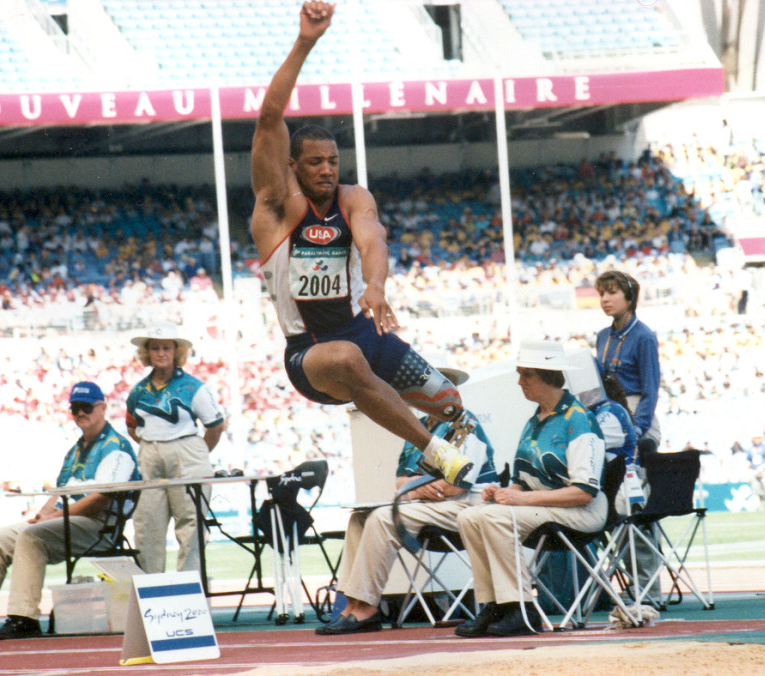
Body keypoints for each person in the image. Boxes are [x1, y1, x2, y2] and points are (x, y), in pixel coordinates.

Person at [247, 0, 472, 488]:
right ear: (291, 166)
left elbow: (373, 238)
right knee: (347, 359)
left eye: (333, 160)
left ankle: (431, 458)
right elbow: (268, 118)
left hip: (369, 336)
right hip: (313, 354)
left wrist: (375, 284)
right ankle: (433, 452)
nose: (327, 169)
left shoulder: (353, 198)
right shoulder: (275, 211)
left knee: (455, 407)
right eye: (314, 162)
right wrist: (307, 40)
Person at [0, 382, 139, 641]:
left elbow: (99, 499)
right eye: (75, 408)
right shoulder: (77, 449)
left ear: (102, 408)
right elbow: (59, 492)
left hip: (99, 526)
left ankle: (25, 618)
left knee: (32, 537)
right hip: (66, 520)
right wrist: (40, 515)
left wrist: (50, 519)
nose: (80, 413)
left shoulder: (116, 448)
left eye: (86, 407)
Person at [317, 368, 498, 635]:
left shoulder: (465, 424)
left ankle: (367, 607)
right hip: (431, 505)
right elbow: (400, 482)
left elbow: (455, 485)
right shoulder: (420, 428)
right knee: (359, 518)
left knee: (382, 517)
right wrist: (418, 490)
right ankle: (351, 604)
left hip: (467, 504)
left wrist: (414, 489)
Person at [455, 341, 606, 637]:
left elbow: (584, 492)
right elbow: (523, 480)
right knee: (470, 516)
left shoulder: (578, 419)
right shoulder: (534, 421)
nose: (520, 382)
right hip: (546, 508)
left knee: (492, 518)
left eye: (527, 375)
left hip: (582, 512)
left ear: (549, 376)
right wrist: (503, 492)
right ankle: (495, 603)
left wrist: (521, 498)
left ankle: (520, 608)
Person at [127, 324, 226, 574]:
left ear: (176, 352)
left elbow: (215, 425)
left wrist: (197, 452)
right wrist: (154, 446)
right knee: (147, 525)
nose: (161, 353)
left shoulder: (194, 387)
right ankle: (150, 591)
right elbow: (131, 426)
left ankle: (190, 592)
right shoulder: (138, 390)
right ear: (147, 352)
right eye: (155, 348)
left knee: (191, 526)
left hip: (187, 453)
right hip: (150, 454)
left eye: (166, 348)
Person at [593, 269, 662, 604]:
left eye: (612, 292)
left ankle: (648, 585)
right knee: (611, 500)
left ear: (630, 297)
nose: (605, 299)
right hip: (610, 415)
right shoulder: (601, 337)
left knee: (634, 500)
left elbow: (650, 389)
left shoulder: (644, 336)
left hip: (637, 415)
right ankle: (629, 580)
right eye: (601, 294)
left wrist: (637, 429)